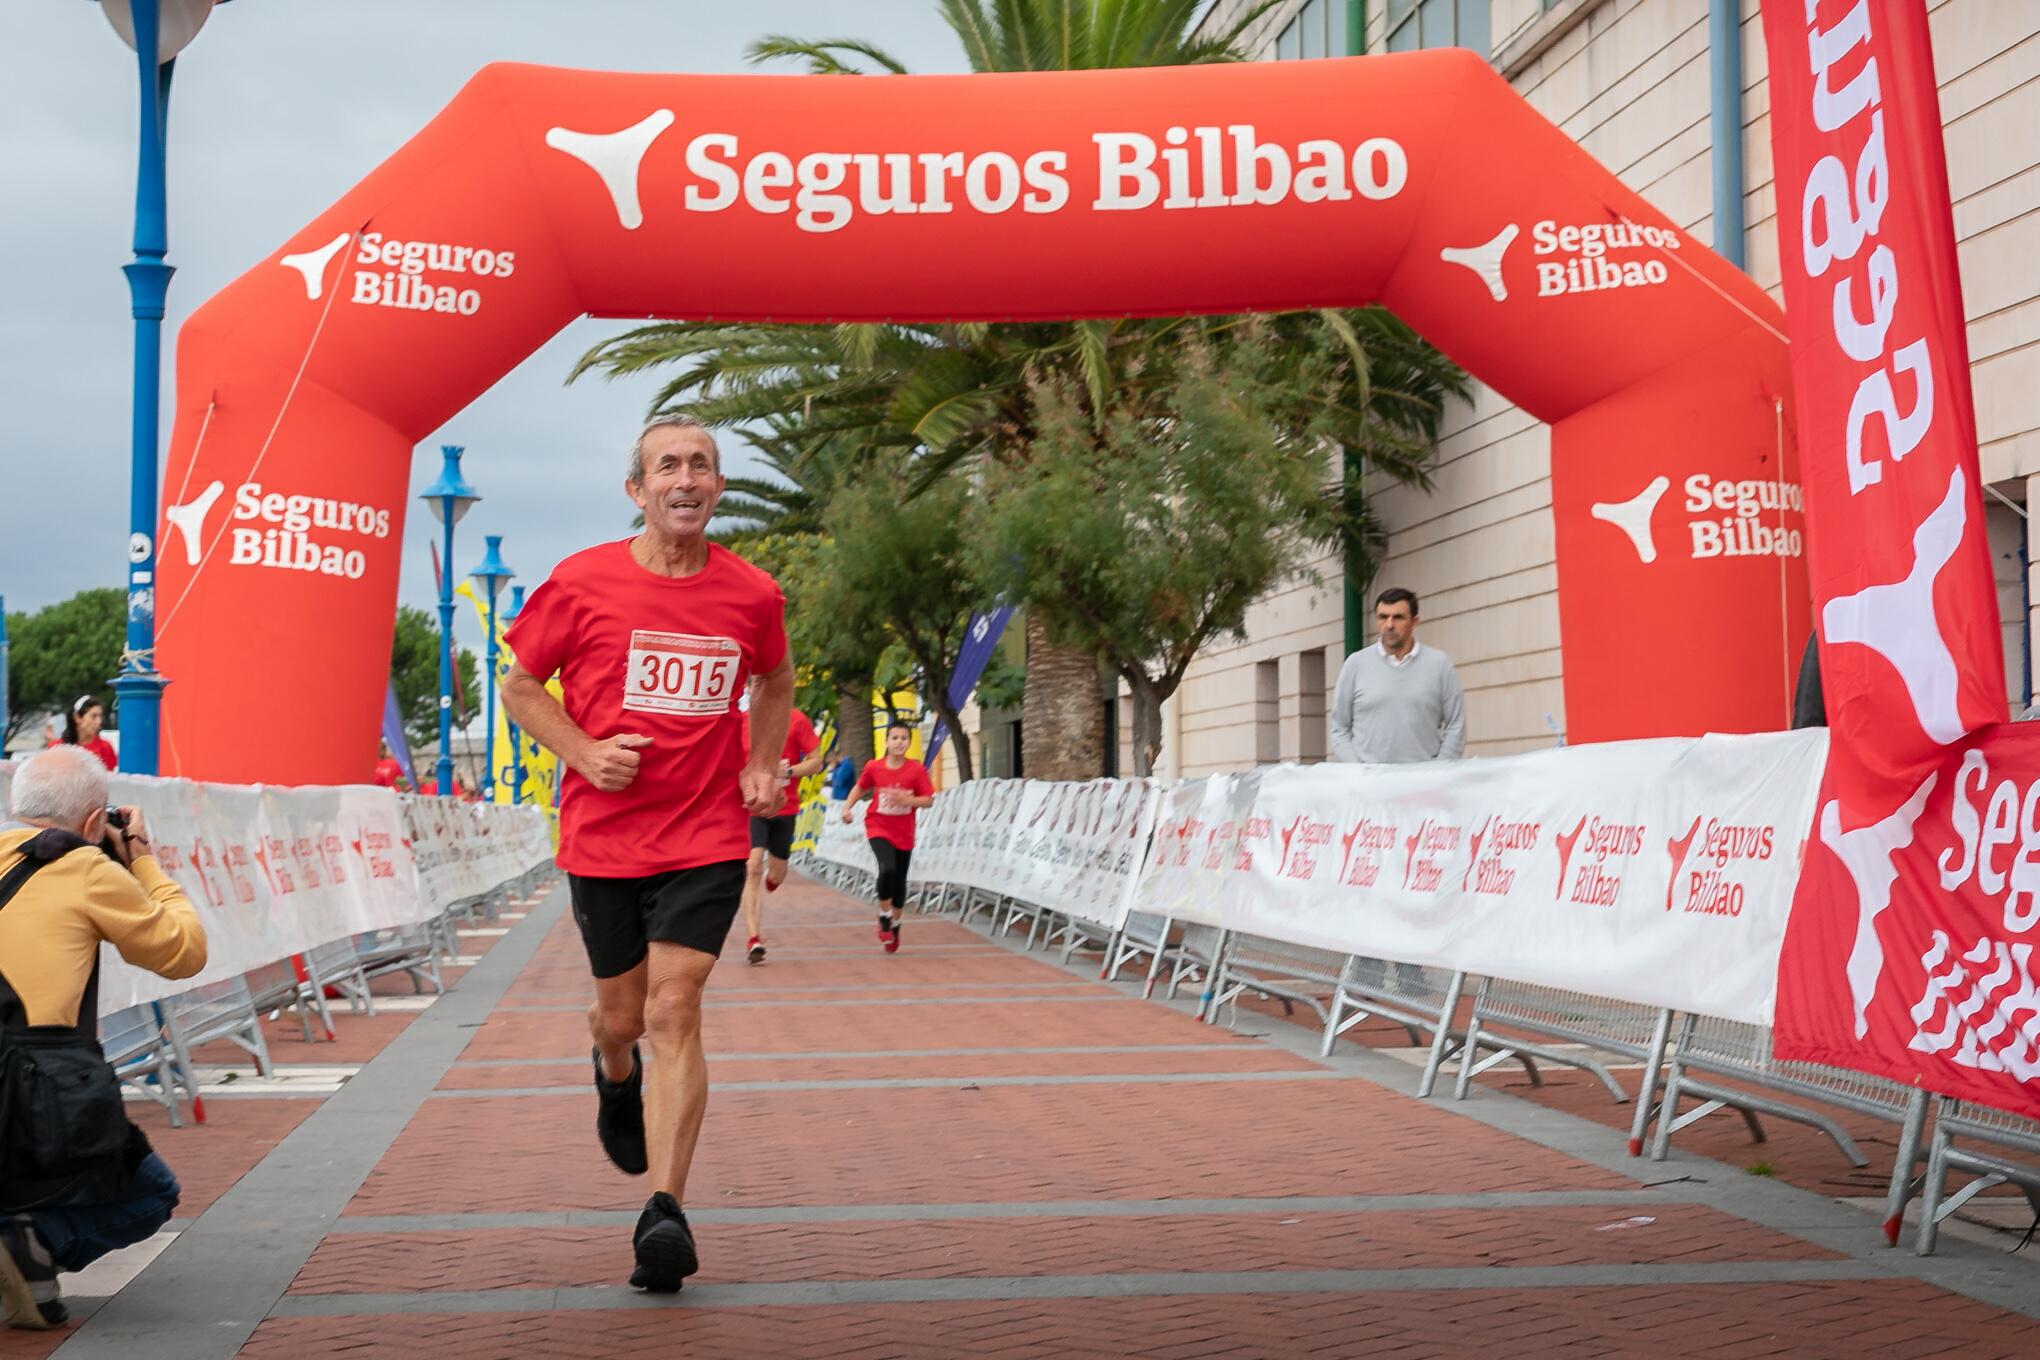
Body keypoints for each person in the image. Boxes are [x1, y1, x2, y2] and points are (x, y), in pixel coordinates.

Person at [501, 414, 790, 1294]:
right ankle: (612, 1072)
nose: (686, 478)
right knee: (623, 1019)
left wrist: (764, 761)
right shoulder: (581, 582)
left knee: (674, 1008)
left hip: (703, 832)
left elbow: (774, 678)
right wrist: (585, 752)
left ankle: (664, 1211)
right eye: (668, 465)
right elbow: (519, 686)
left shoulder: (752, 594)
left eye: (701, 465)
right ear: (639, 490)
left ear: (718, 489)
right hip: (604, 837)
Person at [0, 746, 208, 1330]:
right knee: (151, 1194)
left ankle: (23, 1255)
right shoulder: (86, 868)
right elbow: (183, 952)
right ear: (94, 823)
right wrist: (140, 858)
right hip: (33, 1099)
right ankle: (29, 1240)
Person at [1329, 588, 1466, 764]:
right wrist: (1358, 771)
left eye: (1398, 617)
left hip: (1423, 783)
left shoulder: (1439, 664)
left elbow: (1456, 726)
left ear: (1415, 621)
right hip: (1369, 784)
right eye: (1383, 617)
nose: (1389, 625)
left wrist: (1438, 771)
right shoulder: (1355, 664)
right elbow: (1339, 729)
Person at [739, 698, 822, 965]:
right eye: (755, 686)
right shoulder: (741, 721)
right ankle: (754, 939)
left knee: (776, 872)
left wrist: (789, 770)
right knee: (752, 866)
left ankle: (773, 879)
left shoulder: (795, 719)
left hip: (785, 808)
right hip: (751, 807)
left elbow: (816, 761)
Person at [839, 724, 933, 953]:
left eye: (903, 738)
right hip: (878, 826)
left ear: (909, 742)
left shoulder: (916, 770)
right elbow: (860, 787)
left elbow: (929, 799)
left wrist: (907, 801)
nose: (899, 742)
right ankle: (883, 916)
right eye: (895, 737)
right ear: (887, 741)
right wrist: (847, 807)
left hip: (904, 831)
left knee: (900, 880)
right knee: (887, 868)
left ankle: (896, 925)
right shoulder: (875, 767)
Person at [48, 698, 117, 772]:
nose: (99, 721)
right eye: (93, 716)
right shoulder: (56, 747)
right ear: (77, 718)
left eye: (100, 716)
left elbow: (109, 779)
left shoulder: (105, 747)